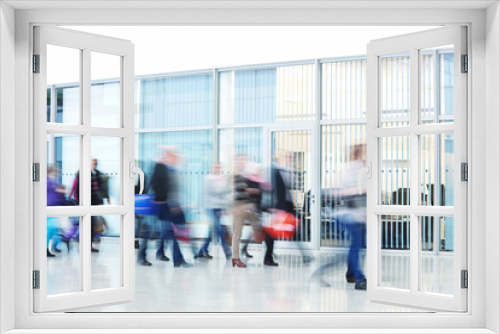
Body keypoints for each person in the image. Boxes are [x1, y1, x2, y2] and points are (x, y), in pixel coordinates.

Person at [150, 146, 192, 268]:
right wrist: (163, 200)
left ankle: (161, 252)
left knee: (170, 232)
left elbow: (176, 189)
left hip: (173, 205)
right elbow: (156, 185)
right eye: (173, 156)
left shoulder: (172, 170)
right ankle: (178, 259)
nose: (176, 158)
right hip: (165, 205)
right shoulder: (161, 168)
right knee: (171, 233)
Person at [339, 144, 367, 291]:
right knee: (356, 246)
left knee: (357, 245)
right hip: (354, 215)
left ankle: (351, 274)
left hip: (357, 213)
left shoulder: (354, 168)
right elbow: (350, 192)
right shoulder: (354, 169)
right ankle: (359, 278)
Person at [195, 162, 231, 260]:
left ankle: (202, 250)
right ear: (211, 168)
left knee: (211, 231)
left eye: (219, 167)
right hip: (211, 207)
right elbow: (211, 193)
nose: (217, 169)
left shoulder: (222, 179)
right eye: (216, 167)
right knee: (219, 230)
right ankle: (228, 253)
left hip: (219, 208)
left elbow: (225, 194)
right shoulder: (208, 179)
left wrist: (225, 208)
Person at [231, 155, 262, 268]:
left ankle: (246, 247)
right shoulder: (235, 175)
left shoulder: (245, 175)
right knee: (237, 234)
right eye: (241, 160)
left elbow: (247, 191)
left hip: (247, 206)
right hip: (239, 206)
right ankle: (235, 258)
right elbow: (239, 191)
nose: (243, 162)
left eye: (244, 160)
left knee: (257, 226)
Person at [90, 158, 110, 253]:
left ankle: (91, 242)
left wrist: (106, 197)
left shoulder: (98, 174)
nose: (95, 165)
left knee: (94, 223)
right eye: (93, 163)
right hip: (87, 203)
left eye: (96, 163)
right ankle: (88, 243)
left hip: (96, 203)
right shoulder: (84, 173)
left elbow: (102, 187)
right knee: (89, 224)